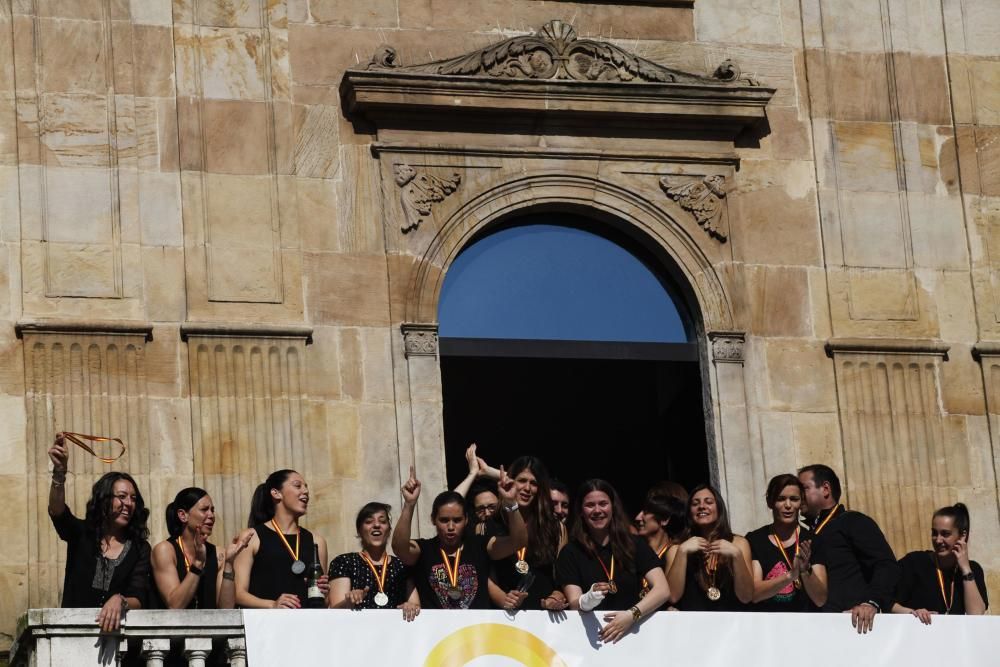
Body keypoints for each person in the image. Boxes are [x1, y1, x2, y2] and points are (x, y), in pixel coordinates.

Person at [47, 433, 151, 633]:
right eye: (121, 496)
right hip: (72, 636)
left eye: (133, 498)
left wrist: (120, 601)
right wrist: (59, 473)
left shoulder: (140, 548)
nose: (129, 503)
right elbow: (57, 511)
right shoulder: (82, 534)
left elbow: (139, 597)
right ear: (104, 499)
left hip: (117, 642)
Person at [392, 466, 527, 609]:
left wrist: (511, 503)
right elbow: (399, 547)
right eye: (444, 520)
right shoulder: (424, 550)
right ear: (433, 520)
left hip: (475, 629)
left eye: (457, 520)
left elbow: (518, 542)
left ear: (466, 520)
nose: (450, 527)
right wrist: (409, 504)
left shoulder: (481, 546)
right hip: (438, 631)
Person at [556, 479, 669, 645]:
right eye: (590, 505)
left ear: (613, 507)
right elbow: (574, 602)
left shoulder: (634, 544)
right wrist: (588, 599)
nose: (597, 510)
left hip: (634, 635)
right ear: (580, 511)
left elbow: (662, 589)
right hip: (591, 640)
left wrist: (632, 615)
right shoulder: (571, 552)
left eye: (603, 504)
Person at [798, 464, 898, 634]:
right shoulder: (806, 533)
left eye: (804, 489)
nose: (798, 496)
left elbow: (886, 565)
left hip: (852, 626)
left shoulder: (853, 521)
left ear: (825, 489)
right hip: (816, 627)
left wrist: (871, 602)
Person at [234, 469, 330, 609]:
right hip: (266, 625)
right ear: (276, 493)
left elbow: (325, 602)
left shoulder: (317, 541)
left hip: (308, 624)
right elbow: (238, 593)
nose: (306, 491)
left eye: (306, 487)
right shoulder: (252, 537)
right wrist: (272, 604)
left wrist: (324, 592)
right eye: (298, 486)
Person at [487, 457, 569, 611]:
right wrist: (504, 600)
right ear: (511, 482)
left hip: (544, 618)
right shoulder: (490, 524)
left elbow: (563, 576)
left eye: (534, 483)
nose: (527, 488)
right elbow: (486, 571)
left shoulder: (556, 528)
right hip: (503, 616)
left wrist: (557, 596)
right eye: (522, 480)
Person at [152, 488, 254, 609]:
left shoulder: (218, 554)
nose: (211, 515)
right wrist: (198, 562)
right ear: (183, 515)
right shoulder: (165, 550)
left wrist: (229, 563)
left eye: (212, 510)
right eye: (204, 509)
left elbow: (226, 609)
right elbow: (175, 605)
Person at [892, 503, 988, 622]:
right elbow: (888, 603)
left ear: (962, 536)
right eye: (934, 533)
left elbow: (976, 614)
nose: (938, 540)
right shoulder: (914, 562)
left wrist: (965, 568)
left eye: (945, 534)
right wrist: (912, 613)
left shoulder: (973, 569)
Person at [665, 484, 753, 611]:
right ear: (689, 512)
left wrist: (737, 555)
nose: (701, 506)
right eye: (695, 503)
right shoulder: (677, 549)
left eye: (709, 502)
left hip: (731, 625)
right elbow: (672, 597)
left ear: (719, 508)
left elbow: (746, 597)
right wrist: (682, 553)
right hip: (692, 625)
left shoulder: (739, 544)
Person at [746, 474, 827, 611]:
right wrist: (790, 576)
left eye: (794, 499)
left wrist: (806, 570)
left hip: (804, 624)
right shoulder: (755, 539)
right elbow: (755, 593)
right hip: (767, 625)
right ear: (770, 502)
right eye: (781, 499)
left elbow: (820, 600)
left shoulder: (813, 541)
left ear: (801, 503)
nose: (788, 505)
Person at [328, 502, 421, 620]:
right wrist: (349, 600)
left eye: (382, 521)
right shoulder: (344, 562)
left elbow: (416, 604)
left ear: (389, 529)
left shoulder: (402, 565)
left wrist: (411, 606)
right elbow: (334, 611)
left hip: (395, 633)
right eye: (368, 521)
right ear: (359, 530)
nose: (376, 525)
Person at [634, 492, 685, 604]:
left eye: (645, 513)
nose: (637, 518)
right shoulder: (633, 550)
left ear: (664, 519)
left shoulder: (676, 552)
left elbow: (672, 597)